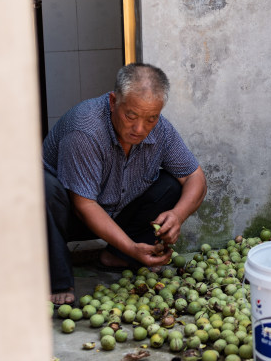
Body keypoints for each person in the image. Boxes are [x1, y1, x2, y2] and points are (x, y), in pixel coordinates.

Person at [43, 63, 207, 304]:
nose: (140, 129)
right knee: (43, 190)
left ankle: (115, 256)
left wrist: (178, 215)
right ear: (113, 102)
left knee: (171, 186)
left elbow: (196, 177)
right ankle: (57, 279)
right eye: (131, 116)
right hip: (67, 216)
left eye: (151, 118)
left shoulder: (160, 130)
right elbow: (84, 205)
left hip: (115, 211)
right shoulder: (85, 129)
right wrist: (133, 247)